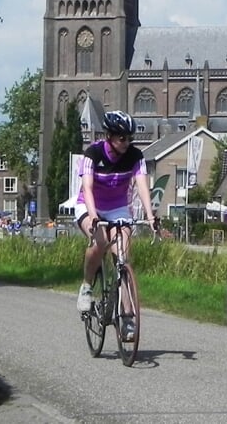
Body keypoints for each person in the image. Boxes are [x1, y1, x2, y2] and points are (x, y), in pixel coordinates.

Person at [74, 110, 158, 341]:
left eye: (130, 138)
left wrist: (150, 216)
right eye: (122, 138)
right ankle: (87, 286)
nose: (126, 142)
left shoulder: (135, 156)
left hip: (118, 207)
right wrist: (93, 216)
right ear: (110, 135)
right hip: (90, 205)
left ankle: (127, 316)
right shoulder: (93, 154)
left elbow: (142, 186)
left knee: (122, 255)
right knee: (99, 241)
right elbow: (87, 188)